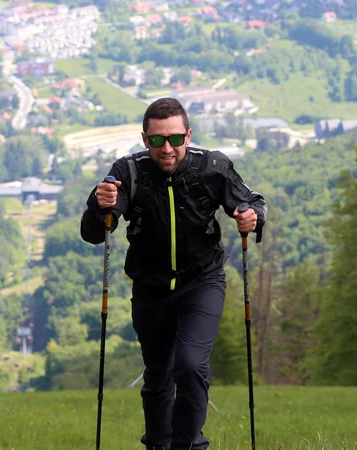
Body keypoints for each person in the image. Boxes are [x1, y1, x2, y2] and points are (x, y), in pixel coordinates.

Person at [80, 98, 267, 450]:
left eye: (176, 139)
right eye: (156, 140)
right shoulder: (129, 172)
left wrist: (251, 217)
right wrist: (98, 203)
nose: (167, 148)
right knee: (158, 377)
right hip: (150, 289)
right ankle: (158, 445)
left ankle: (189, 445)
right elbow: (96, 232)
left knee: (191, 365)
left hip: (202, 281)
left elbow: (252, 201)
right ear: (144, 138)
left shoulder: (212, 166)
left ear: (188, 135)